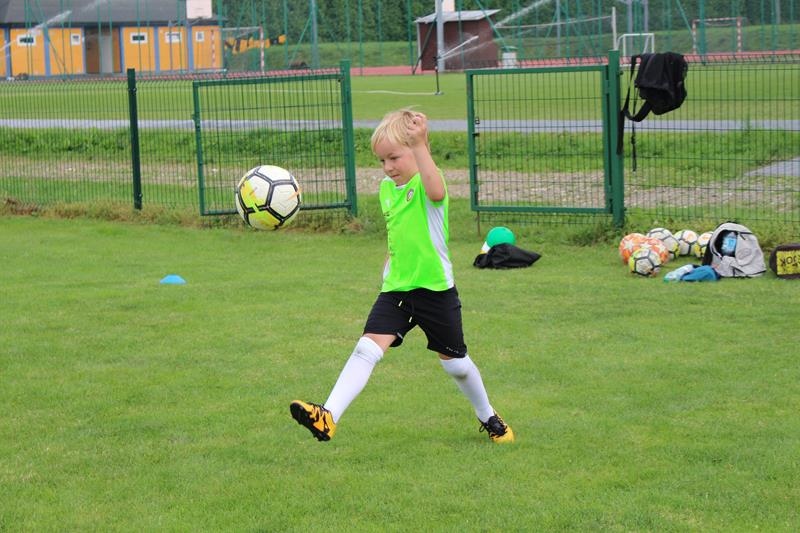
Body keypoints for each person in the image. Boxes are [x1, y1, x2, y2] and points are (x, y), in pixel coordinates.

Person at [290, 108, 514, 443]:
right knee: (366, 348)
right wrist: (388, 266)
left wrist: (421, 144)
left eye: (394, 158)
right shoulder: (386, 189)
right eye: (382, 160)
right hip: (396, 290)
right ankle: (328, 416)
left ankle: (488, 416)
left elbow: (437, 192)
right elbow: (397, 235)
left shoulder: (428, 185)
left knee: (456, 364)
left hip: (435, 291)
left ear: (416, 151)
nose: (388, 167)